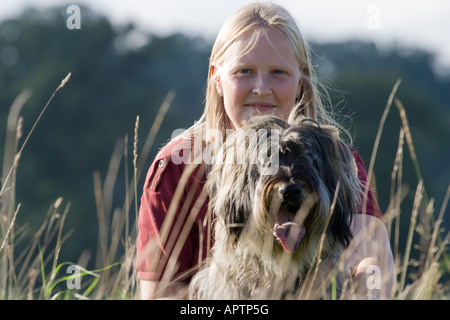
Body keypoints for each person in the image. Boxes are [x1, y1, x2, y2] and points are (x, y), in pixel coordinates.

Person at [136, 2, 395, 299]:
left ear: (302, 80)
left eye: (278, 72)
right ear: (217, 78)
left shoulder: (335, 158)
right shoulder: (178, 167)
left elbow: (372, 263)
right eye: (244, 71)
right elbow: (162, 295)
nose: (261, 88)